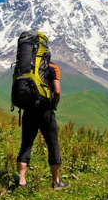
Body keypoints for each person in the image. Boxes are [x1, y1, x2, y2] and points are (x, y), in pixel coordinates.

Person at [15, 57, 69, 190]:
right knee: (53, 144)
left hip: (29, 110)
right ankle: (56, 181)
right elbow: (57, 91)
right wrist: (54, 103)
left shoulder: (26, 67)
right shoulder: (52, 67)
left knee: (26, 144)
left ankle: (21, 180)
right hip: (46, 111)